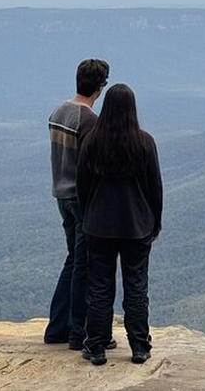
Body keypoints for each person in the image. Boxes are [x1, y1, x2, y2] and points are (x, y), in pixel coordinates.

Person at [77, 83, 163, 366]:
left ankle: (97, 347)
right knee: (136, 286)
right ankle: (139, 347)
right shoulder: (144, 142)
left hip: (99, 225)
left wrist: (87, 214)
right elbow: (154, 188)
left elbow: (82, 186)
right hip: (136, 226)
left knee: (100, 288)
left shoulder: (92, 141)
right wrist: (156, 221)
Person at [45, 58, 111, 351]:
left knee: (73, 260)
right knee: (84, 264)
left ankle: (57, 328)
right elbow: (93, 168)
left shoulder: (58, 111)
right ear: (101, 87)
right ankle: (77, 333)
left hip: (61, 195)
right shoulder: (89, 122)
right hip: (82, 201)